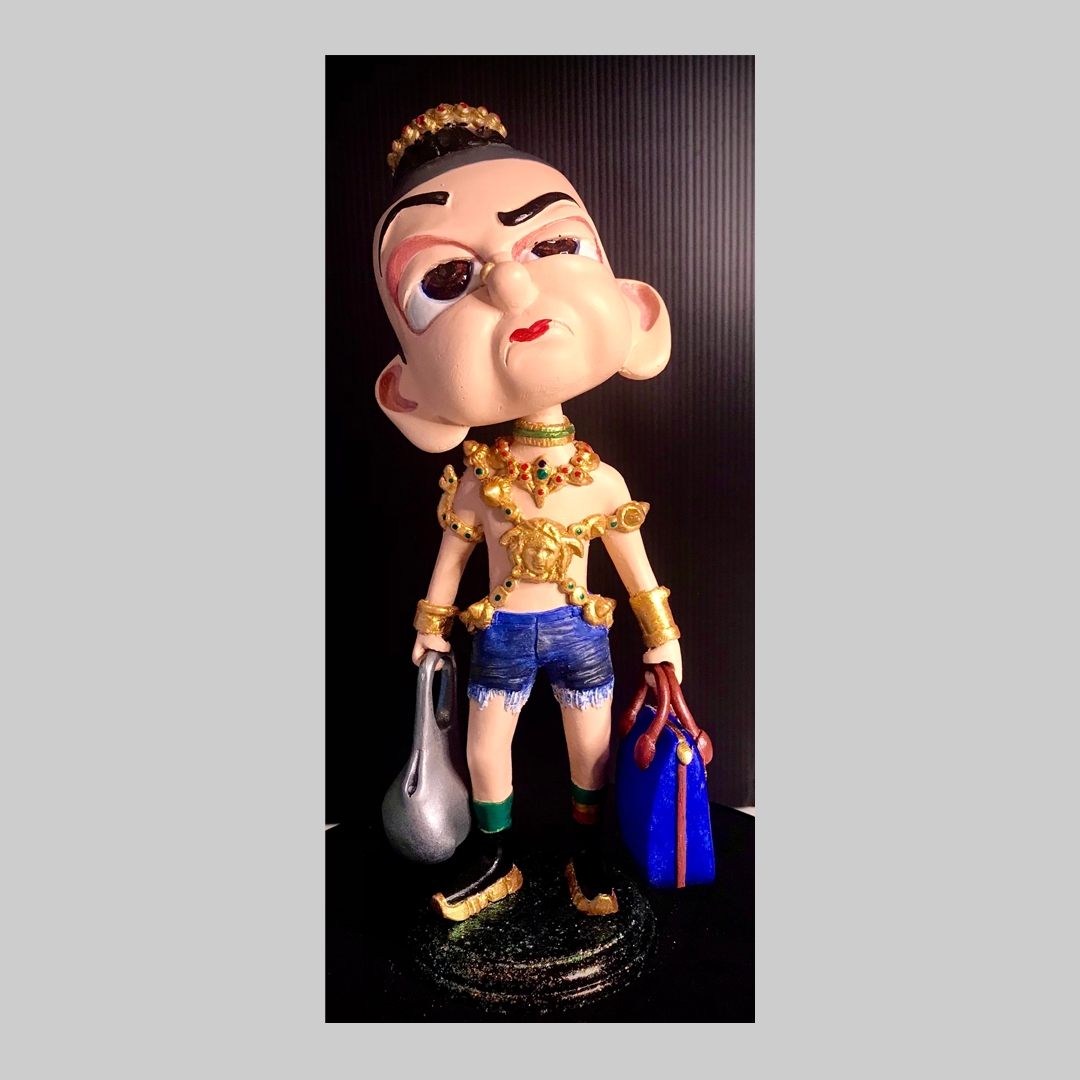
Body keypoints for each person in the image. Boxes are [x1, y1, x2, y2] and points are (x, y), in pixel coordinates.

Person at [372, 103, 683, 921]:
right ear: (408, 394)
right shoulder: (477, 480)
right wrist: (433, 626)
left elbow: (637, 570)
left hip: (582, 632)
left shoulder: (602, 482)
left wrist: (662, 637)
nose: (511, 284)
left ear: (636, 311)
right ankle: (496, 857)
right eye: (444, 280)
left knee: (592, 750)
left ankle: (588, 856)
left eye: (552, 245)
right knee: (485, 751)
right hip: (502, 634)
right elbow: (451, 557)